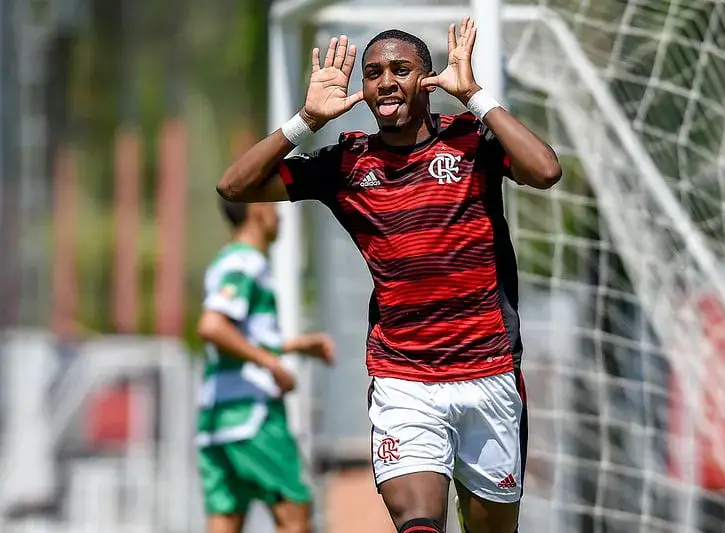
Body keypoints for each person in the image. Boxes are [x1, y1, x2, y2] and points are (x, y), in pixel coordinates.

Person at [216, 17, 561, 533]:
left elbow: (545, 170)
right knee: (419, 521)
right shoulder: (347, 162)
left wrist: (475, 95)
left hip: (488, 370)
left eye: (402, 69)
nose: (386, 81)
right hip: (405, 378)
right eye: (373, 72)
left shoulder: (471, 140)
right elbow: (234, 186)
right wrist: (305, 120)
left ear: (427, 79)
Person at [196, 199, 335, 533]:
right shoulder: (246, 262)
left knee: (225, 519)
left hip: (216, 418)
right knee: (295, 514)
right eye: (275, 206)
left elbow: (238, 337)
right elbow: (213, 326)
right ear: (257, 208)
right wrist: (272, 363)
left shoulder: (225, 260)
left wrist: (295, 345)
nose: (280, 215)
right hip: (253, 415)